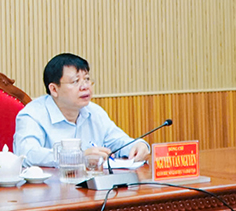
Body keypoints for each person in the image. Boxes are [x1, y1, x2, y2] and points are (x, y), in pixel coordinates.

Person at [13, 52, 151, 168]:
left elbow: (118, 141)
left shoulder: (94, 112)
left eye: (87, 79)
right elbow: (27, 155)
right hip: (48, 190)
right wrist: (78, 157)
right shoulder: (32, 115)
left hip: (93, 188)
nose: (85, 86)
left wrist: (138, 145)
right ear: (54, 89)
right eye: (75, 81)